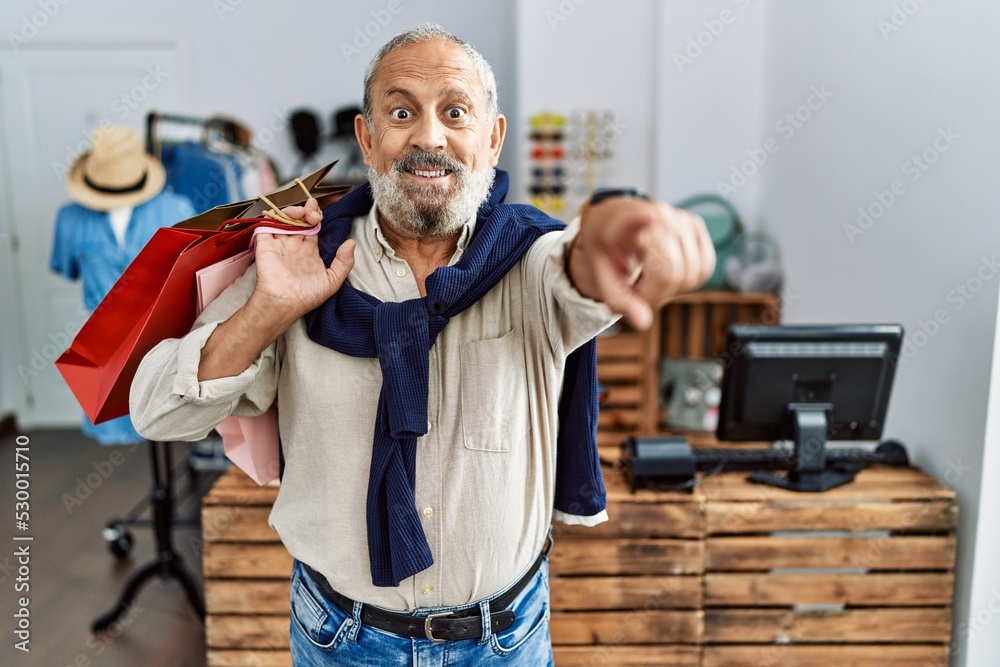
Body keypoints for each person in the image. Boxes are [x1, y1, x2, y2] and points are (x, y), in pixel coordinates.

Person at [130, 24, 714, 666]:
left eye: (455, 112)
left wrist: (606, 236)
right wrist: (268, 310)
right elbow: (157, 410)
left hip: (504, 641)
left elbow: (575, 270)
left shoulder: (531, 261)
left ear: (491, 139)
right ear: (368, 139)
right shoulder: (295, 259)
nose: (429, 137)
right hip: (338, 638)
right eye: (402, 111)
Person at [51, 124, 194, 445]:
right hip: (102, 341)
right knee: (117, 423)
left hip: (163, 336)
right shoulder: (69, 218)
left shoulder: (176, 209)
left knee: (167, 419)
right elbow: (69, 268)